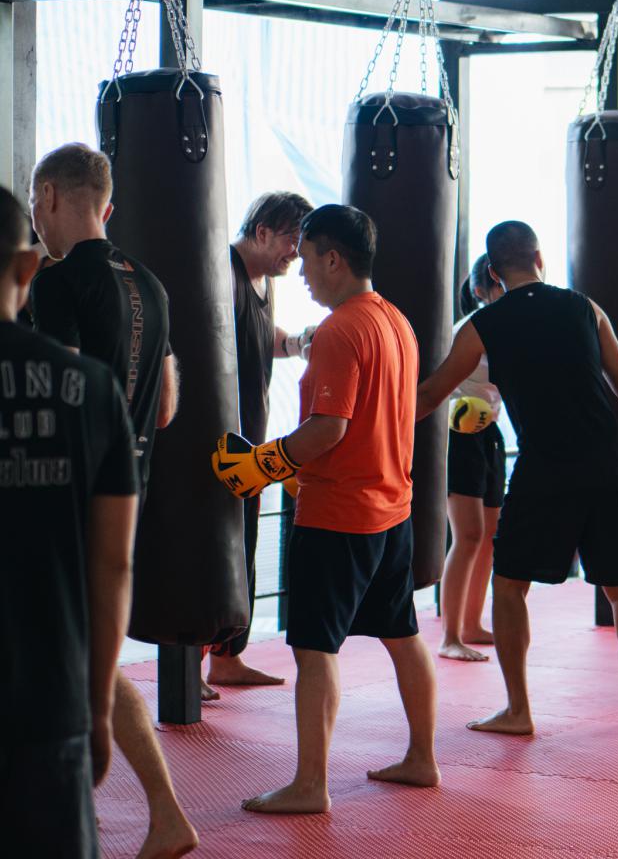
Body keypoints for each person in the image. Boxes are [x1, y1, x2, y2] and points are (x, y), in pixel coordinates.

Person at [415, 220, 618, 735]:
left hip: (544, 467)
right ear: (539, 259)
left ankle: (518, 710)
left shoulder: (482, 325)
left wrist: (365, 428)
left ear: (493, 271)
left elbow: (429, 395)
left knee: (510, 585)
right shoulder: (585, 308)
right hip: (605, 462)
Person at [218, 205, 439, 812]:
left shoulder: (340, 331)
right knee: (402, 634)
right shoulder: (396, 321)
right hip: (392, 509)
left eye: (309, 259)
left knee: (315, 649)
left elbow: (328, 428)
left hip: (338, 514)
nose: (302, 273)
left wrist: (263, 463)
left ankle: (310, 784)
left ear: (334, 259)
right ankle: (422, 758)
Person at [27, 143, 196, 858]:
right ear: (109, 206)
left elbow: (57, 395)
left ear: (50, 198)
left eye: (35, 204)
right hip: (130, 489)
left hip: (65, 495)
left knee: (75, 652)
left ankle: (160, 812)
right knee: (81, 649)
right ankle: (143, 811)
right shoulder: (151, 285)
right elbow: (166, 408)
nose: (36, 220)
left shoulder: (57, 284)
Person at [0, 186, 139, 859]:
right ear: (28, 266)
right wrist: (99, 707)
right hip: (48, 696)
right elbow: (113, 564)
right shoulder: (92, 389)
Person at [206, 191, 315, 696]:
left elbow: (258, 334)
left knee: (242, 548)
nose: (298, 252)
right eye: (293, 239)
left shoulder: (264, 279)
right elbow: (204, 342)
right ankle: (188, 663)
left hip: (250, 439)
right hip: (217, 442)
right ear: (263, 231)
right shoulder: (221, 271)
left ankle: (227, 660)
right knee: (208, 549)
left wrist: (294, 344)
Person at [439, 255, 506, 662]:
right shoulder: (469, 329)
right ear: (483, 290)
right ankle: (449, 636)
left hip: (489, 433)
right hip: (459, 434)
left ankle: (471, 623)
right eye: (502, 285)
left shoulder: (514, 328)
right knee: (466, 535)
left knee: (487, 535)